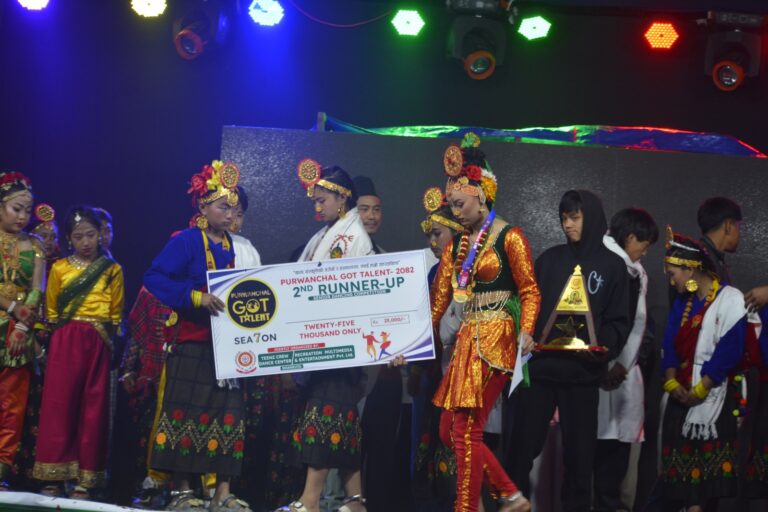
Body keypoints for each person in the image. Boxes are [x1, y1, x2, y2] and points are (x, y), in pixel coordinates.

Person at [430, 133, 541, 512]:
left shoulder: (510, 236)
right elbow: (438, 304)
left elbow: (530, 290)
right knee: (448, 430)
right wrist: (414, 345)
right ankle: (509, 493)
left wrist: (527, 330)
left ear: (481, 194)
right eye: (451, 205)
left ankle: (468, 508)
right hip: (466, 340)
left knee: (465, 430)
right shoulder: (455, 246)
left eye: (459, 204)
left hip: (497, 338)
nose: (455, 212)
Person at [507, 190, 630, 512]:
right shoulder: (549, 260)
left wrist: (602, 347)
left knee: (580, 460)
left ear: (592, 217)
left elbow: (619, 321)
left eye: (574, 217)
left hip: (582, 376)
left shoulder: (613, 266)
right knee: (520, 450)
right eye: (563, 218)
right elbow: (527, 305)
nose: (567, 225)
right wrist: (525, 333)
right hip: (541, 371)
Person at [144, 160, 250, 512]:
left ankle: (221, 493)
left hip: (228, 348)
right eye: (222, 206)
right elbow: (154, 278)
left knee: (227, 417)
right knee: (185, 416)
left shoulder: (236, 246)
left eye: (233, 207)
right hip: (192, 342)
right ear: (203, 207)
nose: (229, 213)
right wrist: (195, 297)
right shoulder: (187, 241)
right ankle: (182, 491)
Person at [284, 160, 373, 512]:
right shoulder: (325, 234)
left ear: (342, 198)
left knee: (325, 418)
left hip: (339, 343)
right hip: (325, 343)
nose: (317, 207)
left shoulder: (352, 238)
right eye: (315, 201)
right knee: (341, 422)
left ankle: (310, 500)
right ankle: (355, 501)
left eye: (322, 200)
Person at [33, 205, 124, 498]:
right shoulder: (60, 268)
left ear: (100, 235)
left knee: (92, 408)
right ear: (69, 239)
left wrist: (108, 343)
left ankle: (86, 478)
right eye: (78, 236)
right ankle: (54, 475)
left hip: (98, 341)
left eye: (91, 235)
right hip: (65, 340)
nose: (85, 242)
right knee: (60, 406)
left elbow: (115, 314)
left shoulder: (112, 270)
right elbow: (51, 310)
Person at [660, 227, 747, 511]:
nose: (672, 281)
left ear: (690, 269)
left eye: (673, 274)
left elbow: (730, 349)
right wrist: (671, 382)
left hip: (713, 391)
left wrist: (702, 387)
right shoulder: (683, 303)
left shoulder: (730, 299)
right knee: (680, 478)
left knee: (708, 482)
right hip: (680, 392)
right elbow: (669, 343)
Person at [593, 208, 659, 512]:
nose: (644, 253)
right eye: (643, 246)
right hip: (598, 369)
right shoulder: (611, 265)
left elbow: (639, 324)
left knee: (612, 461)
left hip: (620, 373)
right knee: (599, 464)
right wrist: (612, 365)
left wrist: (622, 364)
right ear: (630, 237)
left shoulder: (635, 271)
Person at [0, 172, 44, 490]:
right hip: (11, 317)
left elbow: (36, 290)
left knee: (11, 404)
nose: (23, 216)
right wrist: (13, 307)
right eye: (16, 209)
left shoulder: (35, 246)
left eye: (27, 211)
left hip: (17, 333)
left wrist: (22, 326)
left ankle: (1, 470)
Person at [696, 197, 741, 285]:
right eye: (739, 227)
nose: (739, 234)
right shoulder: (703, 260)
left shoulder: (705, 255)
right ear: (728, 226)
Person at [352, 176, 383, 254]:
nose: (372, 216)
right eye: (364, 209)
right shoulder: (342, 248)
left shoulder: (382, 254)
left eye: (376, 209)